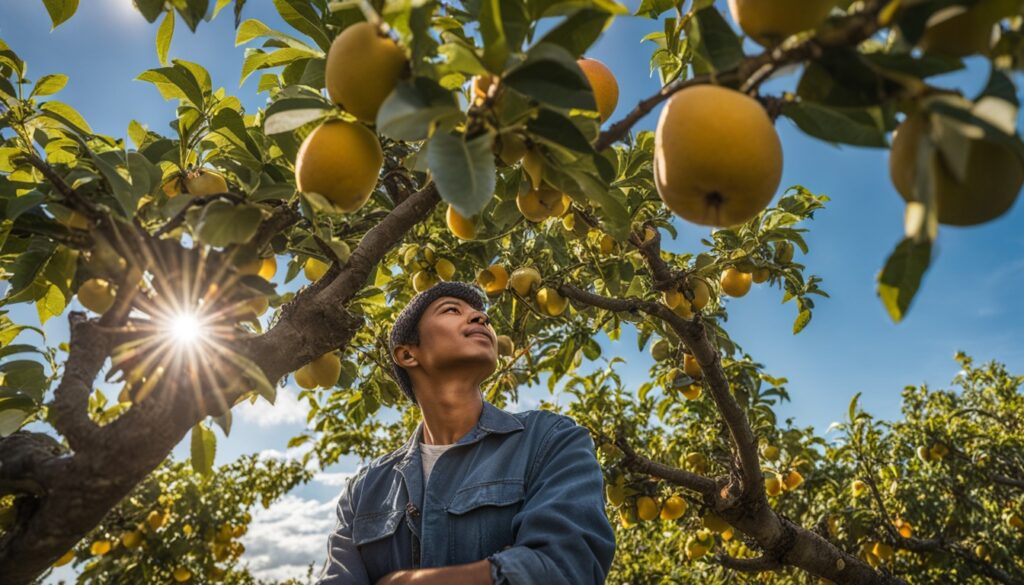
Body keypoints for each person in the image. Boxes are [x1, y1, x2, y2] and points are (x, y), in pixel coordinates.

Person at [315, 281, 615, 584]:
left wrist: (403, 582)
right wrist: (497, 571)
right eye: (452, 310)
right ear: (407, 355)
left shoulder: (551, 440)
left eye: (482, 314)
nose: (480, 318)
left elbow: (568, 565)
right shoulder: (364, 491)